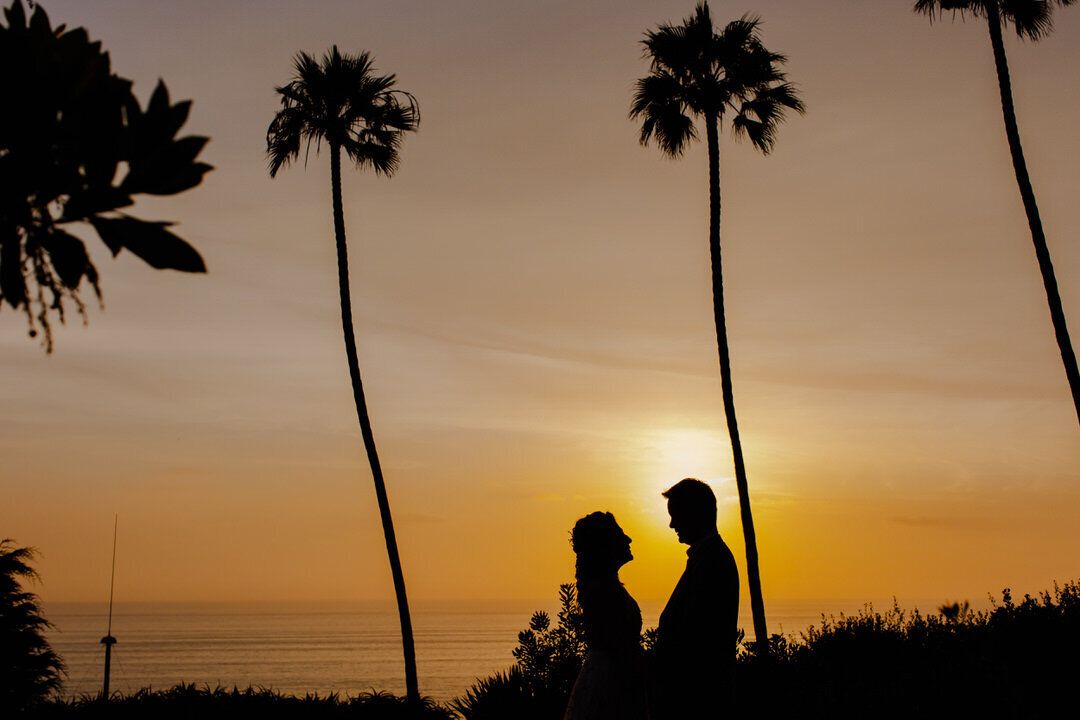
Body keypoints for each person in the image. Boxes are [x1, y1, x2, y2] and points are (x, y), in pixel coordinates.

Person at [651, 478, 739, 719]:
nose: (671, 525)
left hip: (697, 701)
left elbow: (696, 637)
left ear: (695, 513)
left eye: (675, 515)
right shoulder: (707, 557)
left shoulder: (714, 562)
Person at [564, 511, 650, 720]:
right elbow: (616, 648)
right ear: (605, 546)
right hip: (611, 688)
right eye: (621, 535)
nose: (628, 539)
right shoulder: (602, 592)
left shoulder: (605, 587)